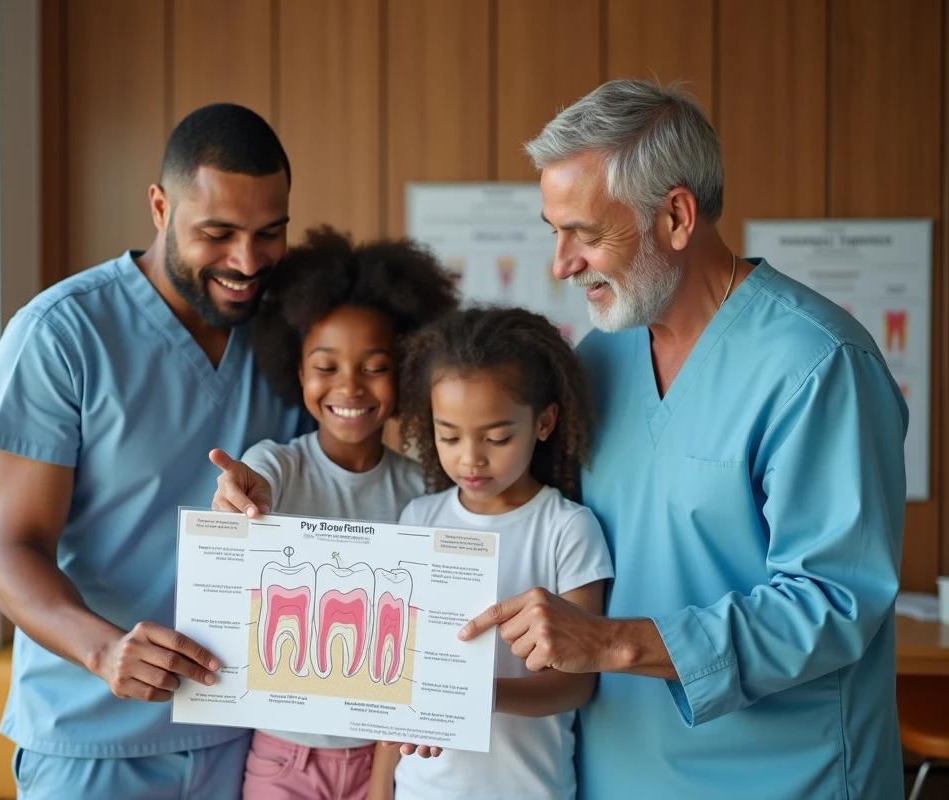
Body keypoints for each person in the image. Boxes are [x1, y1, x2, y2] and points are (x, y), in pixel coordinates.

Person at [456, 79, 909, 798]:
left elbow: (833, 601)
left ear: (675, 215)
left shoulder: (818, 365)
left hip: (787, 777)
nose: (561, 263)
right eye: (555, 231)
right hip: (617, 771)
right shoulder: (598, 360)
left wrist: (611, 642)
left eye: (586, 234)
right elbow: (497, 489)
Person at [0, 103, 312, 799]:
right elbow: (11, 550)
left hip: (252, 738)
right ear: (160, 206)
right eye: (218, 233)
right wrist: (104, 650)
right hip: (92, 739)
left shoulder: (293, 333)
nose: (247, 262)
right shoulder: (61, 336)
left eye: (269, 233)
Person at [208, 226, 459, 800]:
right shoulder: (277, 466)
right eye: (326, 366)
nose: (349, 386)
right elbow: (253, 482)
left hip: (386, 761)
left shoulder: (424, 488)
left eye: (375, 366)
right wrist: (238, 495)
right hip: (283, 758)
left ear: (405, 374)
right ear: (297, 373)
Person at [373, 306, 614, 799]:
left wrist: (477, 695)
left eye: (497, 437)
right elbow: (393, 680)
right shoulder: (419, 519)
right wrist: (381, 790)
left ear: (544, 423)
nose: (470, 458)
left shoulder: (566, 528)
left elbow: (577, 684)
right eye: (449, 436)